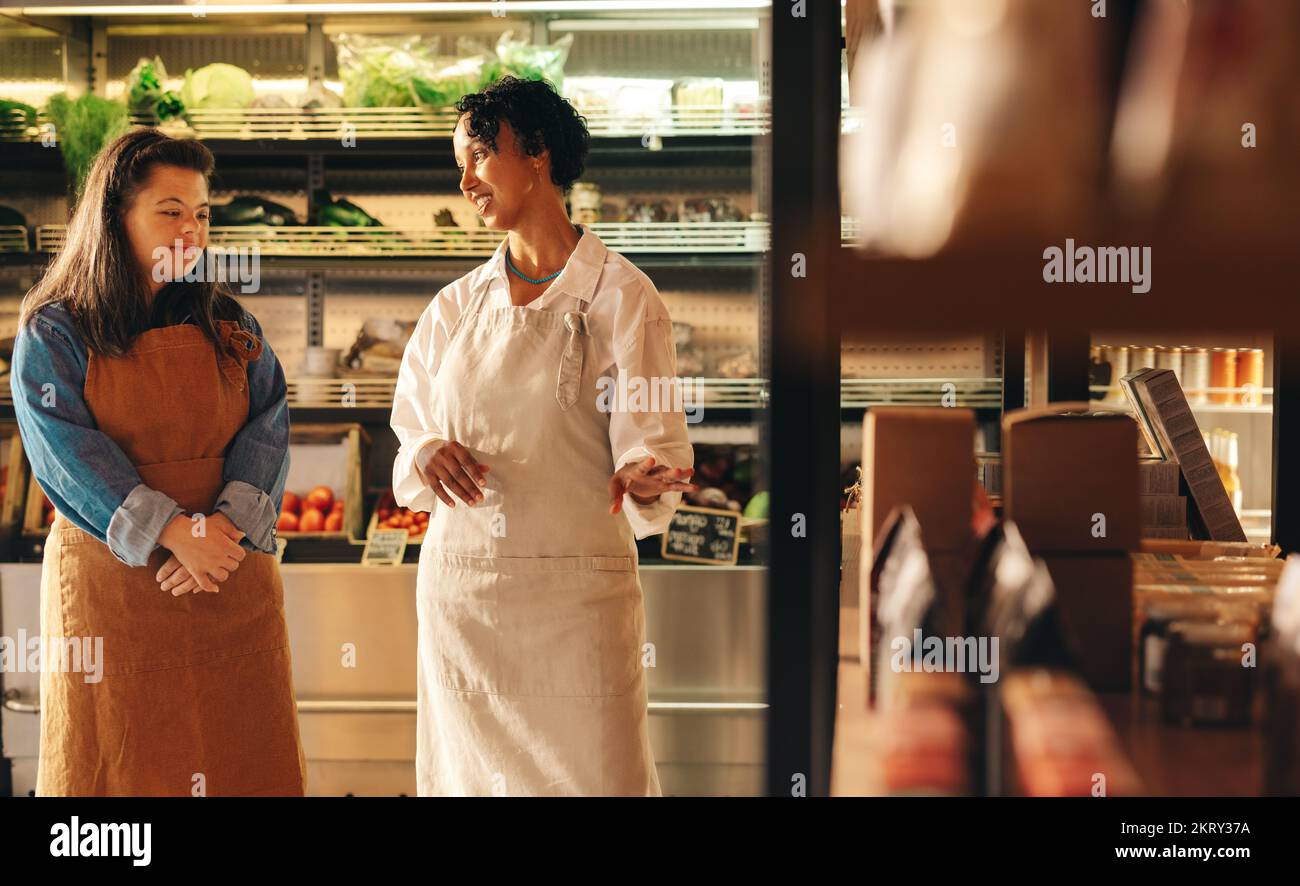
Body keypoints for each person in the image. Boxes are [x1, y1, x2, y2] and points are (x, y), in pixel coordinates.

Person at [390, 77, 697, 796]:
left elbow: (651, 441)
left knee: (599, 777)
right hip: (464, 601)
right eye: (458, 163)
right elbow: (411, 433)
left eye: (479, 157)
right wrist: (426, 450)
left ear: (537, 155)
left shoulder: (624, 297)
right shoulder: (454, 307)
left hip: (577, 605)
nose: (465, 181)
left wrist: (647, 471)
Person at [10, 128, 306, 796]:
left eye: (202, 214)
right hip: (115, 594)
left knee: (244, 762)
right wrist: (174, 532)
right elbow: (63, 450)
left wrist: (222, 532)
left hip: (228, 578)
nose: (192, 230)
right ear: (116, 216)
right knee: (116, 770)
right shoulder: (54, 330)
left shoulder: (230, 323)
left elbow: (269, 425)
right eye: (170, 211)